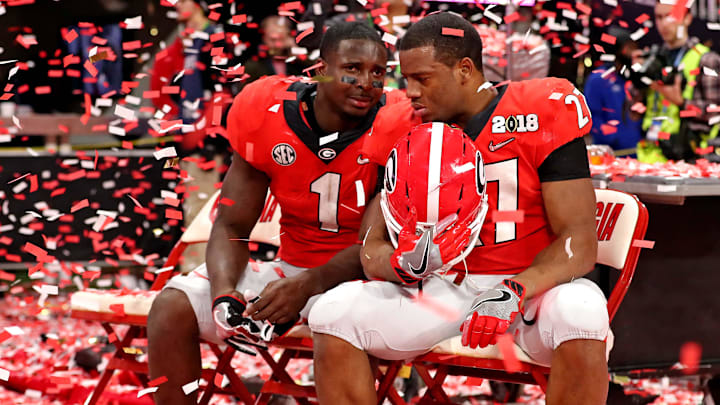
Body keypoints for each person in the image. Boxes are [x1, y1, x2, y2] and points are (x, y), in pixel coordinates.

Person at [309, 12, 609, 405]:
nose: (410, 91)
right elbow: (371, 243)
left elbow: (579, 243)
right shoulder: (402, 123)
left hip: (531, 289)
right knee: (334, 313)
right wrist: (396, 264)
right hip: (444, 288)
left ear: (465, 70)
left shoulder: (540, 109)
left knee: (581, 310)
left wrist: (513, 291)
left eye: (423, 78)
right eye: (406, 78)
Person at [146, 21, 417, 405]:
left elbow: (380, 246)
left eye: (378, 72)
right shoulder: (266, 110)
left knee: (338, 316)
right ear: (320, 68)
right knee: (172, 307)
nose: (366, 82)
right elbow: (233, 223)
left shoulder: (401, 122)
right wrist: (226, 294)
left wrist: (306, 286)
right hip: (293, 271)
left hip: (371, 280)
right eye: (352, 68)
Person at [151, 0, 233, 271]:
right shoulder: (183, 43)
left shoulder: (214, 38)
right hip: (181, 143)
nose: (176, 4)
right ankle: (186, 269)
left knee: (201, 207)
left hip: (206, 145)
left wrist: (202, 134)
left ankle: (197, 273)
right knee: (183, 207)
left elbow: (223, 92)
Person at [637, 2, 720, 162]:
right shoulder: (653, 57)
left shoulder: (706, 59)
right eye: (659, 17)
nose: (664, 23)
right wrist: (635, 80)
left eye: (670, 16)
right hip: (649, 157)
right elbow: (633, 112)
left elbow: (715, 113)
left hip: (688, 158)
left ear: (687, 18)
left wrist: (682, 102)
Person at [584, 28, 643, 155]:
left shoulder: (635, 79)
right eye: (629, 48)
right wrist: (615, 138)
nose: (634, 53)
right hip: (610, 155)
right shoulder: (598, 79)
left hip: (637, 154)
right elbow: (591, 116)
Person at [243, 16, 312, 82]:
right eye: (273, 40)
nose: (277, 45)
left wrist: (296, 51)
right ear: (264, 38)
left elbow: (317, 71)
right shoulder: (254, 65)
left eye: (282, 39)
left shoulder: (297, 62)